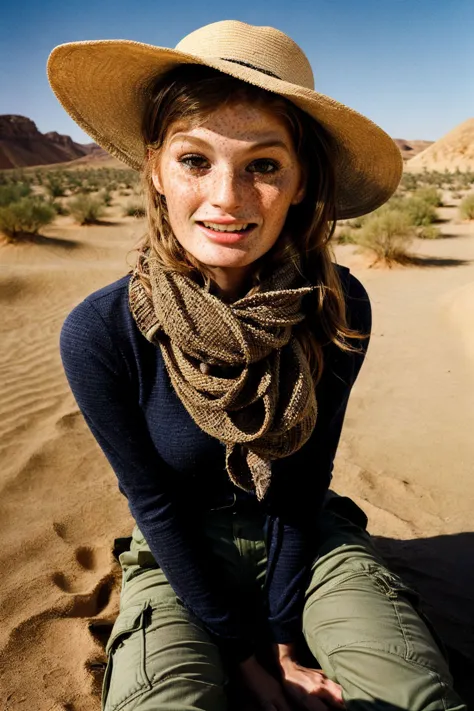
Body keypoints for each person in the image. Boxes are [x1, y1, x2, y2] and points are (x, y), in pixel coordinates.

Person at [48, 20, 466, 711]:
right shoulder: (99, 332)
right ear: (155, 165)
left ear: (301, 182)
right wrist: (242, 655)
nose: (226, 199)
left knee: (416, 698)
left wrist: (280, 632)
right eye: (195, 160)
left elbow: (304, 486)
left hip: (307, 539)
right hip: (175, 556)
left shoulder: (335, 306)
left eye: (264, 166)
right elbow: (153, 504)